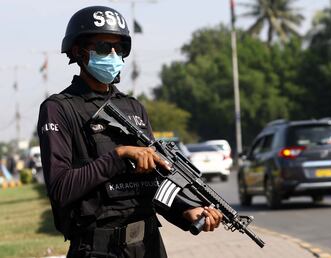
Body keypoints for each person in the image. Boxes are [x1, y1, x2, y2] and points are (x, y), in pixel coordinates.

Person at [37, 6, 222, 258]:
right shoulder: (59, 109)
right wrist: (119, 156)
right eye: (103, 47)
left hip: (149, 246)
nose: (113, 55)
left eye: (120, 49)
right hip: (97, 248)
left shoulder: (133, 107)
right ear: (79, 51)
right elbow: (60, 188)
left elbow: (156, 180)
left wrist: (187, 211)